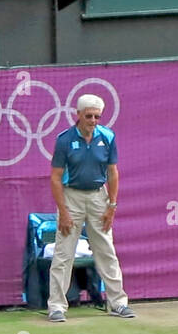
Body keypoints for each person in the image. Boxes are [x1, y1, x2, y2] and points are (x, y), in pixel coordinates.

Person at [46, 94, 133, 322]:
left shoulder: (108, 137)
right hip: (71, 196)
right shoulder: (64, 140)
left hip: (98, 197)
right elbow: (55, 178)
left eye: (97, 116)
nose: (93, 120)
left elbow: (113, 172)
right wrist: (63, 211)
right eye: (88, 116)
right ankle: (56, 306)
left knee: (106, 250)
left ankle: (118, 303)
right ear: (78, 115)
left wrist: (112, 205)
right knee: (64, 253)